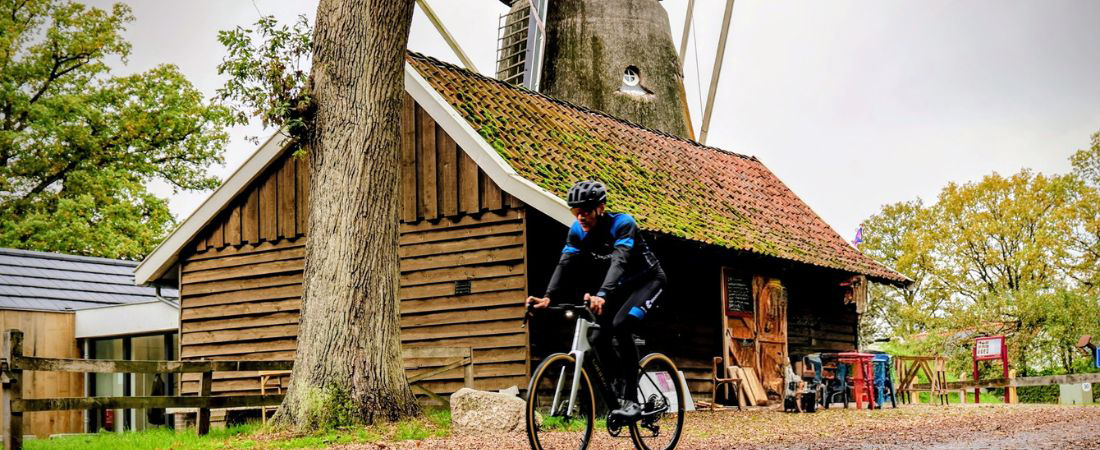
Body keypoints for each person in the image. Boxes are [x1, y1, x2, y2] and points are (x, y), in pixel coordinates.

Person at [525, 180, 666, 422]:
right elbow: (565, 264)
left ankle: (632, 400)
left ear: (600, 208)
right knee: (597, 337)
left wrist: (602, 294)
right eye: (575, 211)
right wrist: (548, 297)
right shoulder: (577, 231)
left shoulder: (622, 224)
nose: (580, 216)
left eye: (586, 211)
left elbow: (619, 261)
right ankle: (620, 383)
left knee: (622, 326)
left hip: (648, 280)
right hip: (619, 287)